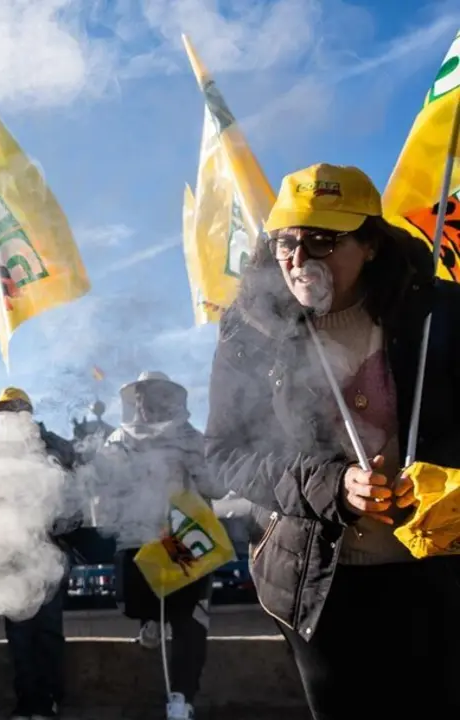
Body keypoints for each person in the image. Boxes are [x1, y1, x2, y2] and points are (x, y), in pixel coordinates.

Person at [205, 163, 460, 718]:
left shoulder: (439, 313)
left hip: (435, 571)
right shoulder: (251, 331)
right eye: (285, 242)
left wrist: (452, 477)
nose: (299, 258)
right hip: (315, 582)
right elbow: (225, 455)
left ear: (369, 244)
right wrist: (332, 486)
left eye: (324, 240)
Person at [92, 371, 222, 720]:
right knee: (151, 605)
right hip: (143, 540)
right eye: (141, 398)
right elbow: (104, 491)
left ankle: (182, 698)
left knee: (189, 619)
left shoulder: (188, 438)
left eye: (151, 397)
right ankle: (151, 618)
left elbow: (216, 486)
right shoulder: (118, 440)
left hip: (183, 538)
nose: (145, 405)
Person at [0, 387, 75, 720]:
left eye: (12, 408)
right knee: (19, 633)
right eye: (2, 410)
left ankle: (50, 698)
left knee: (47, 630)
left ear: (27, 411)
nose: (6, 415)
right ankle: (27, 702)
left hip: (49, 548)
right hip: (12, 553)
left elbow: (72, 472)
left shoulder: (49, 444)